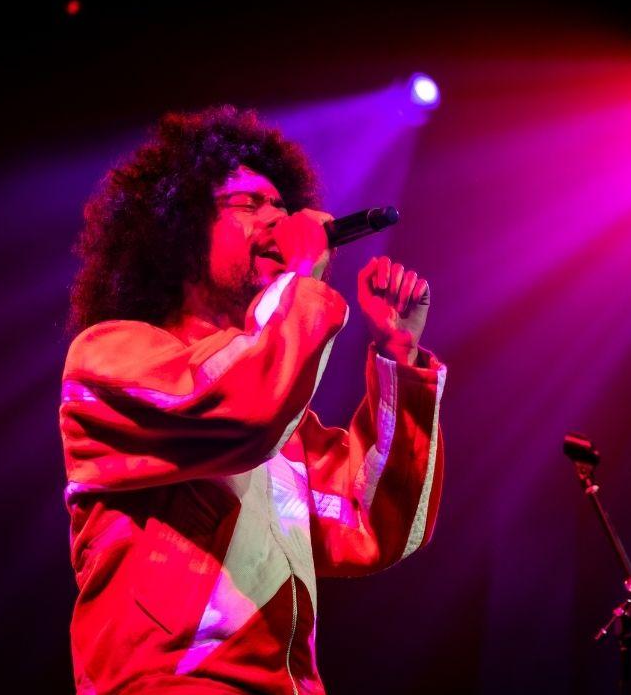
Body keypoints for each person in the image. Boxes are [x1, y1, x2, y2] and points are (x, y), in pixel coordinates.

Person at [59, 105, 446, 694]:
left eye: (282, 206)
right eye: (249, 203)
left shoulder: (283, 426)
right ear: (180, 227)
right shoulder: (110, 358)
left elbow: (373, 521)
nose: (278, 219)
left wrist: (399, 355)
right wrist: (301, 274)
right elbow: (242, 406)